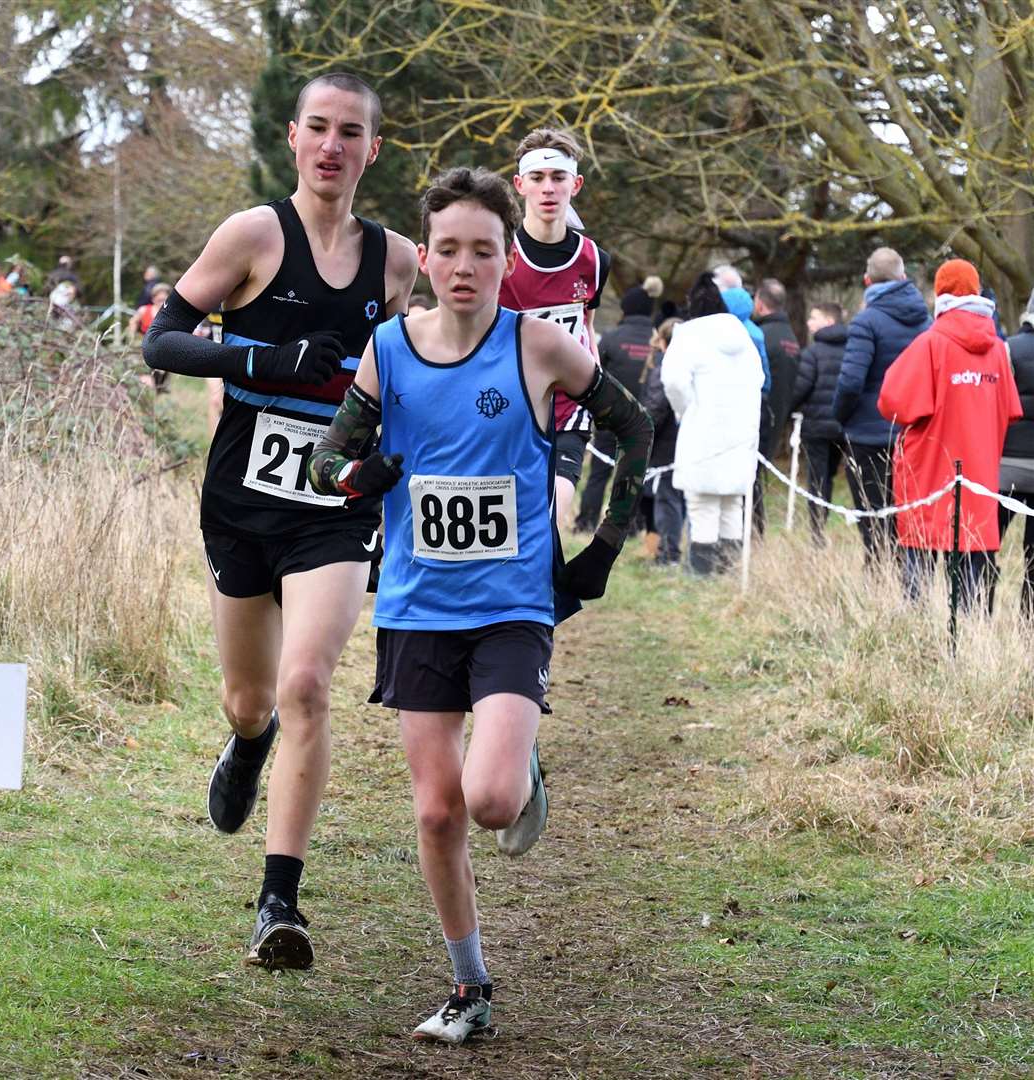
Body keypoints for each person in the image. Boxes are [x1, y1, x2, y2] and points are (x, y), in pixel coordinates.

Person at [307, 166, 652, 1044]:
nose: (465, 266)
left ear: (507, 260)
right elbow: (326, 462)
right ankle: (469, 987)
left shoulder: (536, 345)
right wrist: (360, 474)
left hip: (511, 607)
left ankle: (521, 762)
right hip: (418, 608)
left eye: (484, 251)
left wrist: (603, 546)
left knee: (490, 800)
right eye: (449, 250)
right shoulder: (388, 348)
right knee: (434, 811)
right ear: (424, 258)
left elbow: (634, 425)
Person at [141, 72, 419, 970]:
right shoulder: (254, 235)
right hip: (243, 501)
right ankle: (247, 742)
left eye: (350, 133)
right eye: (317, 129)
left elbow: (414, 374)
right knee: (253, 698)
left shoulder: (397, 262)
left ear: (372, 150)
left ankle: (278, 903)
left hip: (334, 506)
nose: (332, 146)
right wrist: (265, 352)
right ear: (293, 138)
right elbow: (163, 337)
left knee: (307, 685)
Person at [878, 259, 1020, 610]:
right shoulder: (999, 351)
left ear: (940, 293)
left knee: (919, 585)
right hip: (980, 482)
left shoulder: (930, 344)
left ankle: (920, 645)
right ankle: (973, 651)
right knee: (972, 588)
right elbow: (1011, 411)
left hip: (929, 477)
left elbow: (892, 402)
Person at [498, 128, 611, 531]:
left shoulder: (594, 260)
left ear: (575, 184)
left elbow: (587, 328)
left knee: (549, 520)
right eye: (538, 178)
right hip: (508, 405)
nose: (548, 188)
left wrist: (598, 394)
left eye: (558, 177)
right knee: (508, 523)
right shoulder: (500, 256)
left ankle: (544, 588)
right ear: (520, 185)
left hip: (568, 407)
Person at [831, 247, 931, 566]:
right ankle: (907, 580)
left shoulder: (866, 322)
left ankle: (879, 577)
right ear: (904, 277)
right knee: (908, 513)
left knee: (873, 517)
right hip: (914, 431)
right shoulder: (927, 321)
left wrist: (840, 418)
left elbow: (849, 382)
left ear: (866, 280)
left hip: (868, 433)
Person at [662, 273, 764, 574]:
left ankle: (702, 573)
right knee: (732, 502)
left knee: (702, 503)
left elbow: (673, 382)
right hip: (740, 432)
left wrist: (685, 410)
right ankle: (729, 571)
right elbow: (758, 380)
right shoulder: (743, 338)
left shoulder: (689, 336)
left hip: (702, 429)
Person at [575, 283, 655, 532]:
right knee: (635, 474)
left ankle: (587, 521)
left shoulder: (612, 338)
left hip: (611, 417)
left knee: (599, 472)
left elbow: (593, 374)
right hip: (646, 420)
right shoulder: (658, 338)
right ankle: (632, 526)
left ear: (626, 309)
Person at [991, 287, 1034, 615]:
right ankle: (1028, 622)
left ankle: (979, 612)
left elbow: (994, 405)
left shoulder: (1007, 349)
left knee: (986, 546)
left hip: (1006, 465)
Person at [790, 302, 848, 544]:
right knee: (832, 476)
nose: (808, 323)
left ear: (828, 321)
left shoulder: (812, 353)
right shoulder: (853, 350)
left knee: (818, 479)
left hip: (816, 427)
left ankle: (817, 531)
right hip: (844, 426)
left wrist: (787, 409)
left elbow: (800, 389)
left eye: (814, 318)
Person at [751, 278, 801, 535]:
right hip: (779, 416)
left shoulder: (762, 336)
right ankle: (756, 533)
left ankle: (753, 533)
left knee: (750, 477)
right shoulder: (790, 337)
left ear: (760, 303)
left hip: (761, 416)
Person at [642, 317, 685, 564]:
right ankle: (666, 549)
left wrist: (638, 430)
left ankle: (669, 553)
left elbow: (655, 408)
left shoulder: (666, 368)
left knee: (666, 498)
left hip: (665, 445)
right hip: (680, 441)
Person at [129, 282, 173, 390]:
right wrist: (132, 339)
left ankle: (157, 393)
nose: (161, 301)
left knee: (160, 383)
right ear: (153, 299)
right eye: (159, 299)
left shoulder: (171, 314)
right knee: (146, 378)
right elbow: (132, 322)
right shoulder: (144, 310)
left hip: (163, 350)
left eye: (164, 299)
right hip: (143, 348)